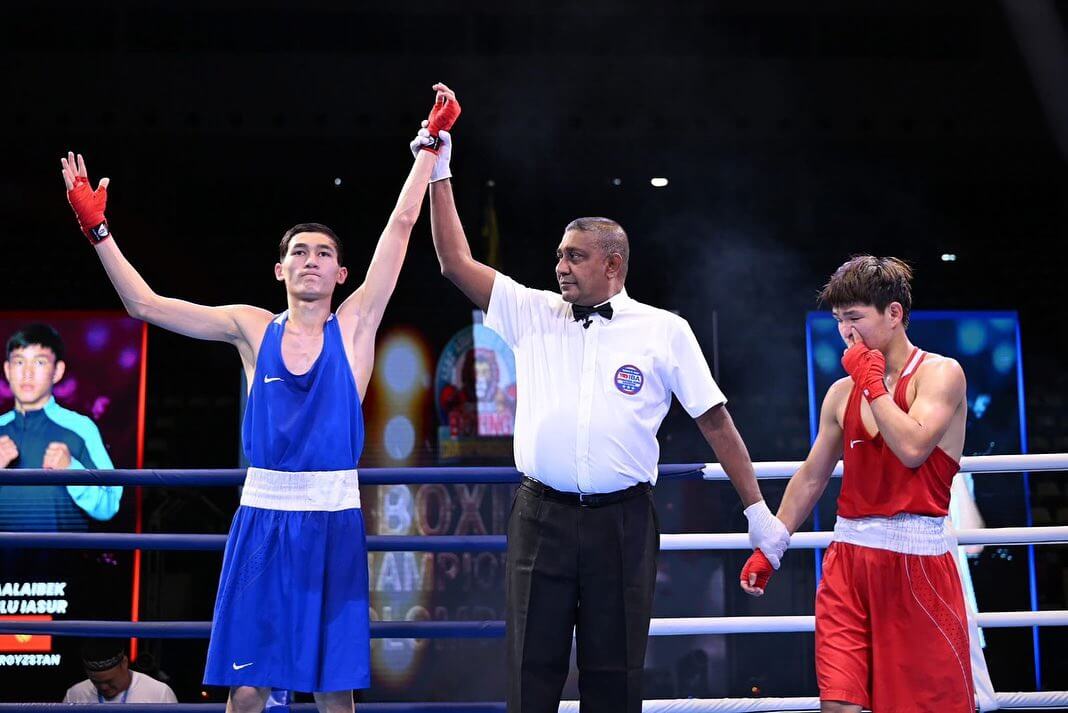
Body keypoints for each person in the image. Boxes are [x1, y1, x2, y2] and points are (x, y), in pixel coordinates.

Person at [62, 86, 460, 713]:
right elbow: (145, 305)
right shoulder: (252, 328)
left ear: (341, 274)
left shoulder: (355, 326)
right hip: (262, 520)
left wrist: (429, 149)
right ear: (280, 270)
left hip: (333, 519)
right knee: (247, 691)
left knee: (333, 694)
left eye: (324, 254)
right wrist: (98, 231)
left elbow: (401, 226)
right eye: (298, 252)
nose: (311, 261)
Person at [417, 83, 789, 713]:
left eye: (575, 256)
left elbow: (716, 422)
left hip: (622, 522)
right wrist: (439, 164)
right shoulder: (533, 311)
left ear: (613, 264)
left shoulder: (664, 330)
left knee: (614, 677)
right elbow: (454, 261)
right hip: (540, 515)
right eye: (559, 255)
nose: (560, 266)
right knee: (530, 673)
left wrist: (757, 511)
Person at [739, 256, 975, 712]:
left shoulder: (941, 374)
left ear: (894, 313)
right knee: (839, 704)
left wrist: (872, 383)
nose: (846, 332)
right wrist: (773, 545)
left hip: (917, 569)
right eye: (838, 321)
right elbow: (813, 474)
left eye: (855, 318)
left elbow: (912, 448)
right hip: (847, 564)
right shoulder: (840, 393)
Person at [0, 323, 120, 531]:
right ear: (7, 370)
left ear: (57, 371)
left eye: (39, 362)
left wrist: (72, 471)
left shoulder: (81, 428)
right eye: (19, 362)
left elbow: (109, 506)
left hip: (61, 551)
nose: (27, 373)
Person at [62, 639, 177, 703]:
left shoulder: (158, 693)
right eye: (95, 682)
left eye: (109, 681)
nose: (103, 687)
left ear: (124, 663)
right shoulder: (75, 695)